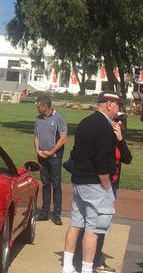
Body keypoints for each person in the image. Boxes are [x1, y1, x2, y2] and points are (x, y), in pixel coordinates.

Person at [61, 91, 122, 273]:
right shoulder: (104, 126)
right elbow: (102, 161)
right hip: (95, 183)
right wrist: (106, 186)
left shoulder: (85, 122)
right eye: (118, 106)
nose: (118, 110)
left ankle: (67, 266)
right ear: (109, 104)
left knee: (75, 224)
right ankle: (87, 269)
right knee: (93, 230)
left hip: (79, 181)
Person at [34, 95, 68, 226]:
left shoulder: (59, 118)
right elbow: (36, 135)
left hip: (54, 157)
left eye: (38, 106)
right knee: (45, 184)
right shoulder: (38, 119)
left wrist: (52, 152)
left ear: (45, 106)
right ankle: (44, 212)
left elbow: (63, 138)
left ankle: (57, 214)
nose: (37, 108)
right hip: (42, 156)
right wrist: (37, 150)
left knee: (56, 185)